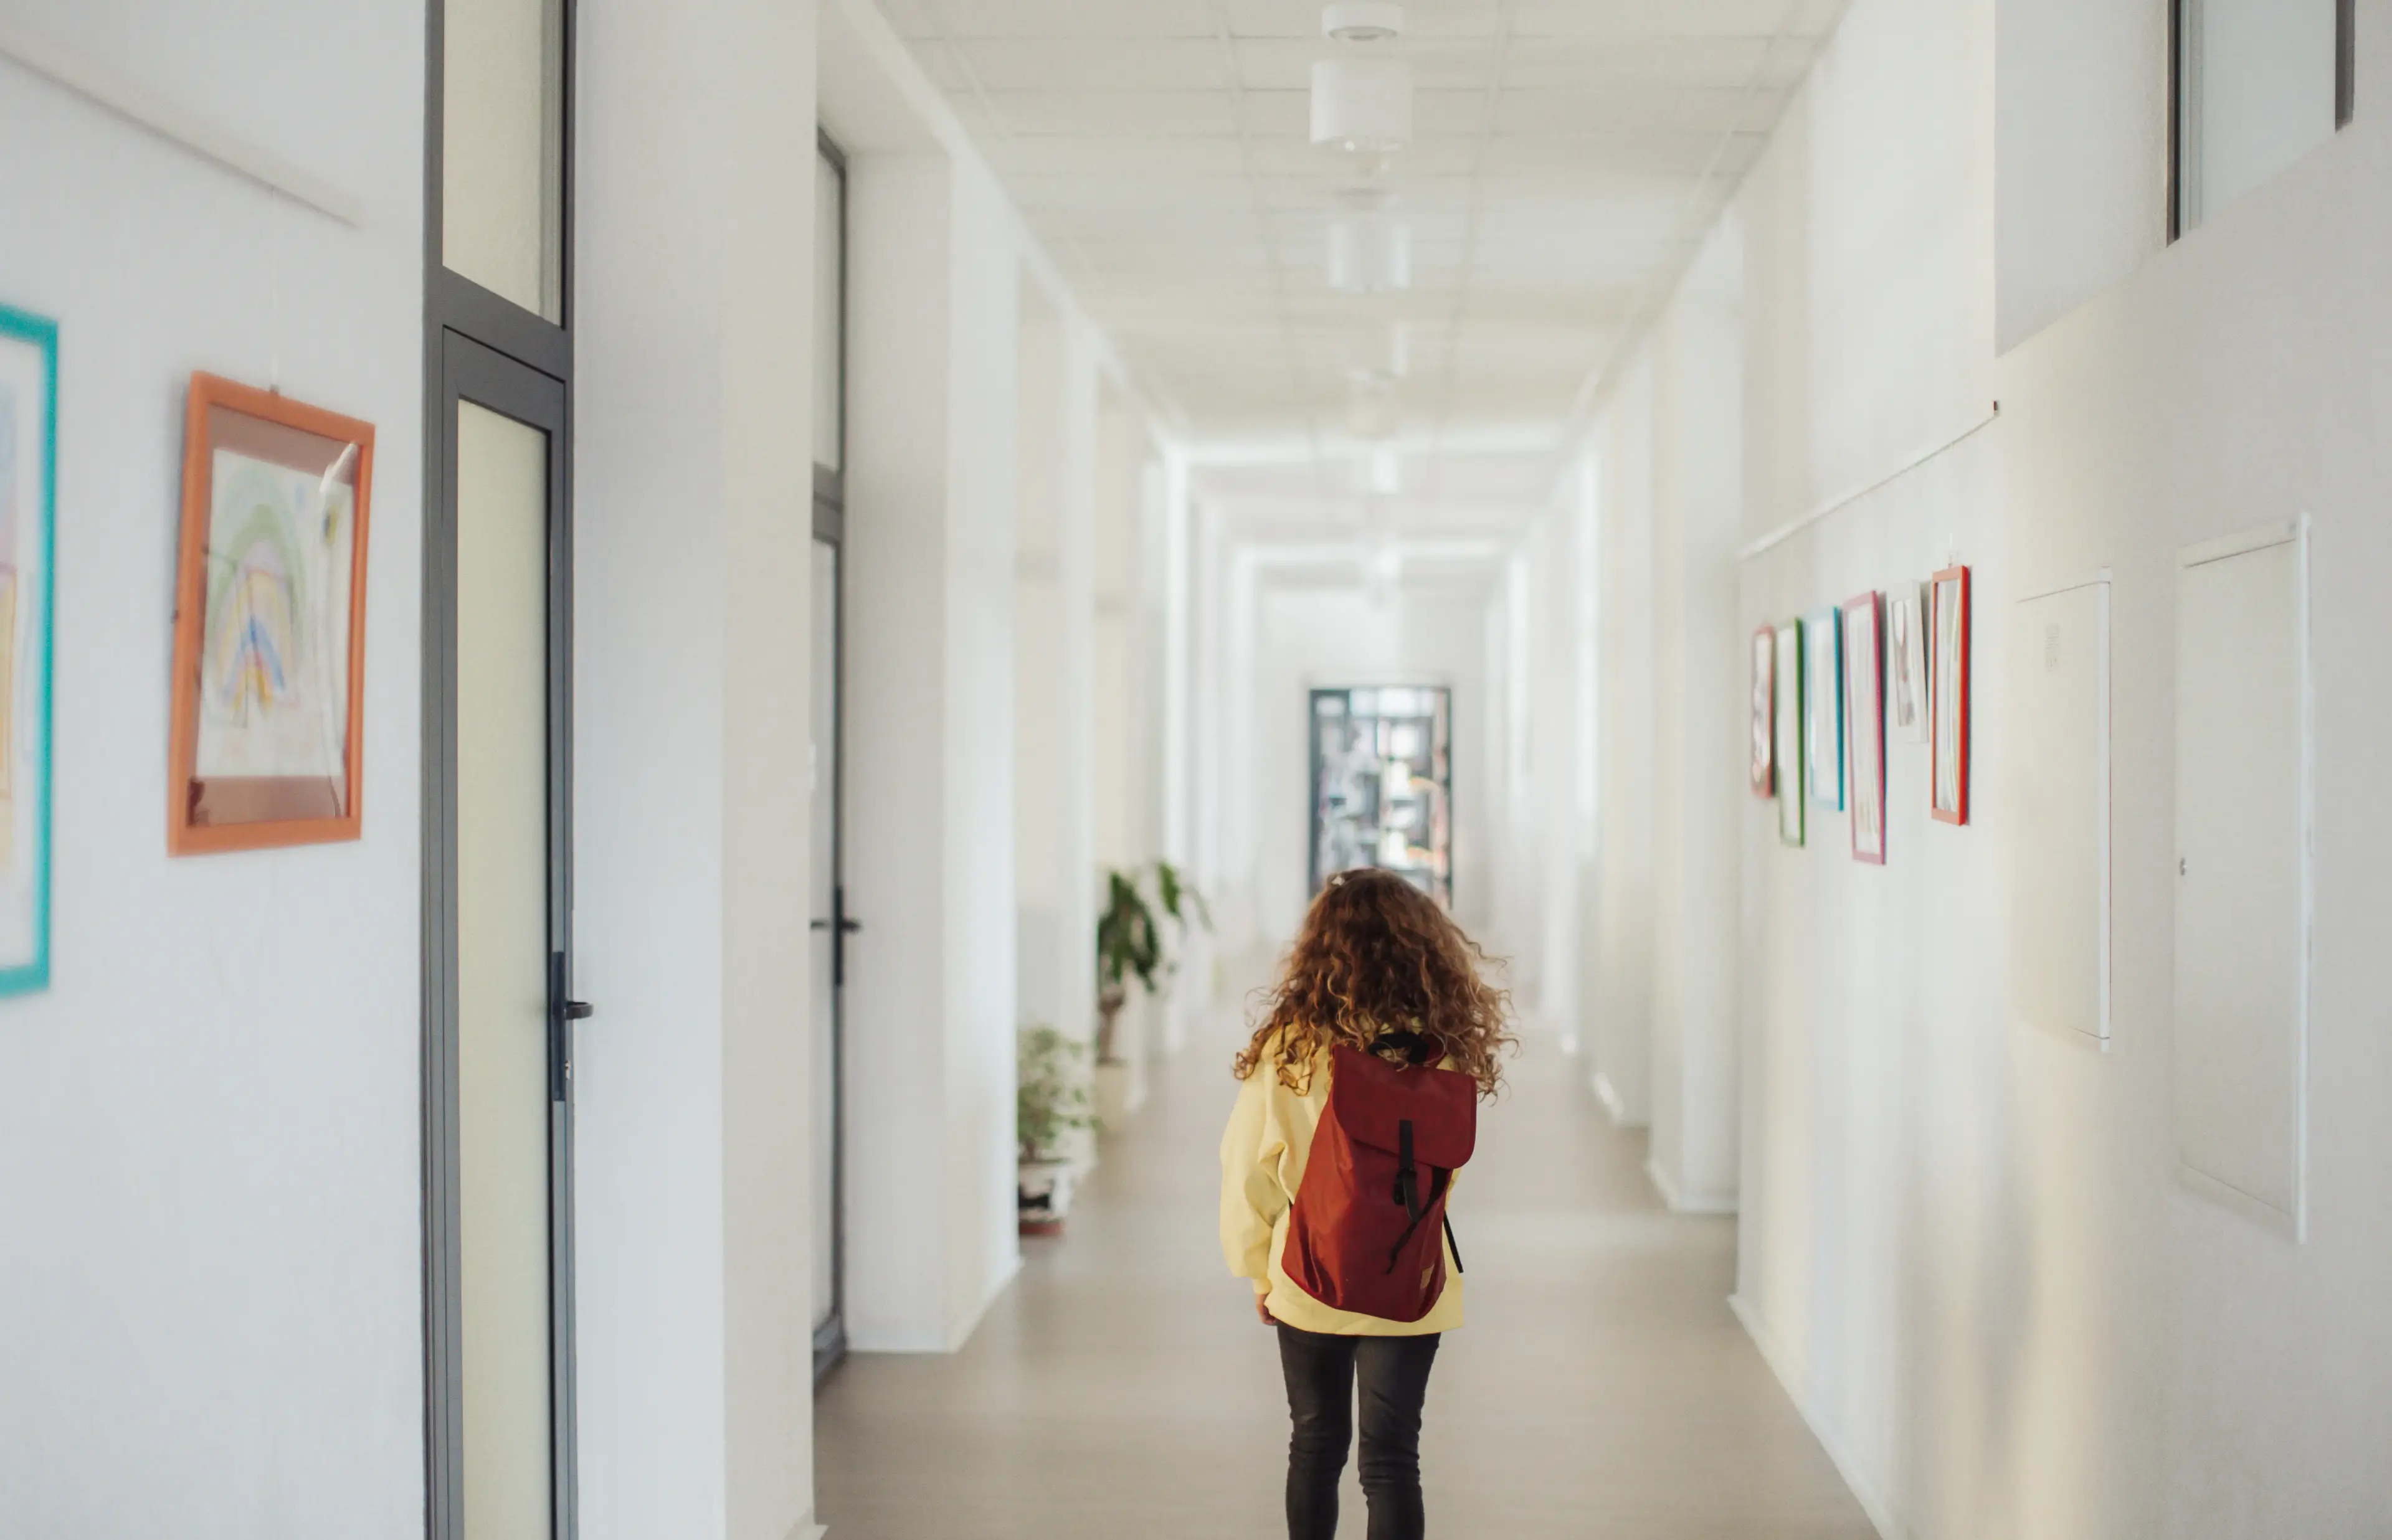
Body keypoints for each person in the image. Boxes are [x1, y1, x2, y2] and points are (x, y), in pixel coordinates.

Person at [1219, 867, 1513, 1540]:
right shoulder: (1440, 1051)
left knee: (1314, 1446)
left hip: (1307, 1273)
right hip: (1414, 1279)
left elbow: (1247, 1170)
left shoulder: (1293, 1048)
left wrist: (1258, 1271)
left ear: (1322, 948)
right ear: (1425, 950)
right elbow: (1441, 1174)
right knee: (1392, 1462)